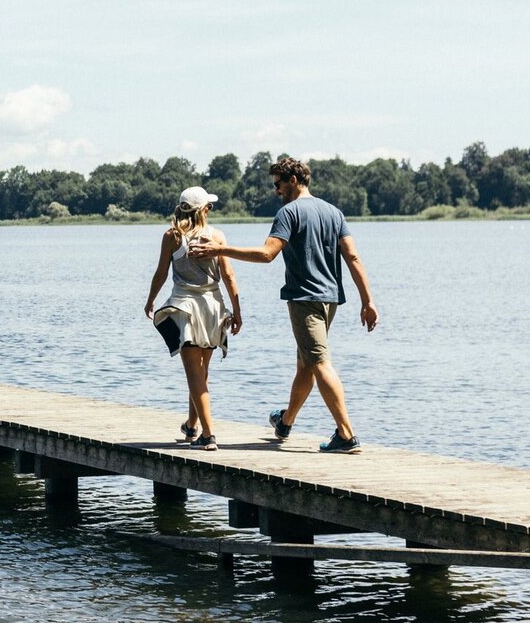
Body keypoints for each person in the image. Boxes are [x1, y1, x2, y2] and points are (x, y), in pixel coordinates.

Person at [190, 157, 379, 454]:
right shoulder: (333, 212)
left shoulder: (288, 213)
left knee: (318, 363)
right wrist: (367, 300)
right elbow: (353, 257)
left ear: (293, 179)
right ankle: (285, 421)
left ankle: (346, 435)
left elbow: (267, 254)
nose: (276, 191)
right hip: (331, 299)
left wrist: (220, 248)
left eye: (278, 184)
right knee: (306, 363)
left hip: (305, 298)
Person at [144, 186, 241, 451]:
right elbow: (229, 277)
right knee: (201, 373)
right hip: (213, 308)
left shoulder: (173, 236)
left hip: (185, 308)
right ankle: (191, 426)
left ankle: (208, 436)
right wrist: (237, 310)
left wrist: (151, 299)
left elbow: (161, 273)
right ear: (204, 210)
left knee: (194, 375)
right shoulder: (217, 236)